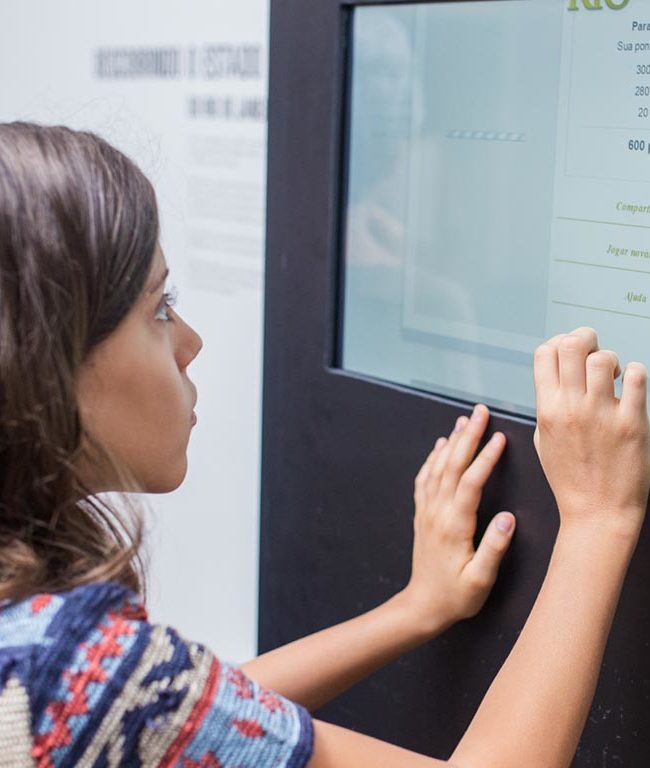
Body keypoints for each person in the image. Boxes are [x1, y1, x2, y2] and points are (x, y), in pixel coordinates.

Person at [0, 122, 646, 768]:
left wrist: (415, 609)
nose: (190, 343)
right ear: (51, 364)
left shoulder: (59, 658)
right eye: (159, 308)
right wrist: (598, 517)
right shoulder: (74, 672)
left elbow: (183, 712)